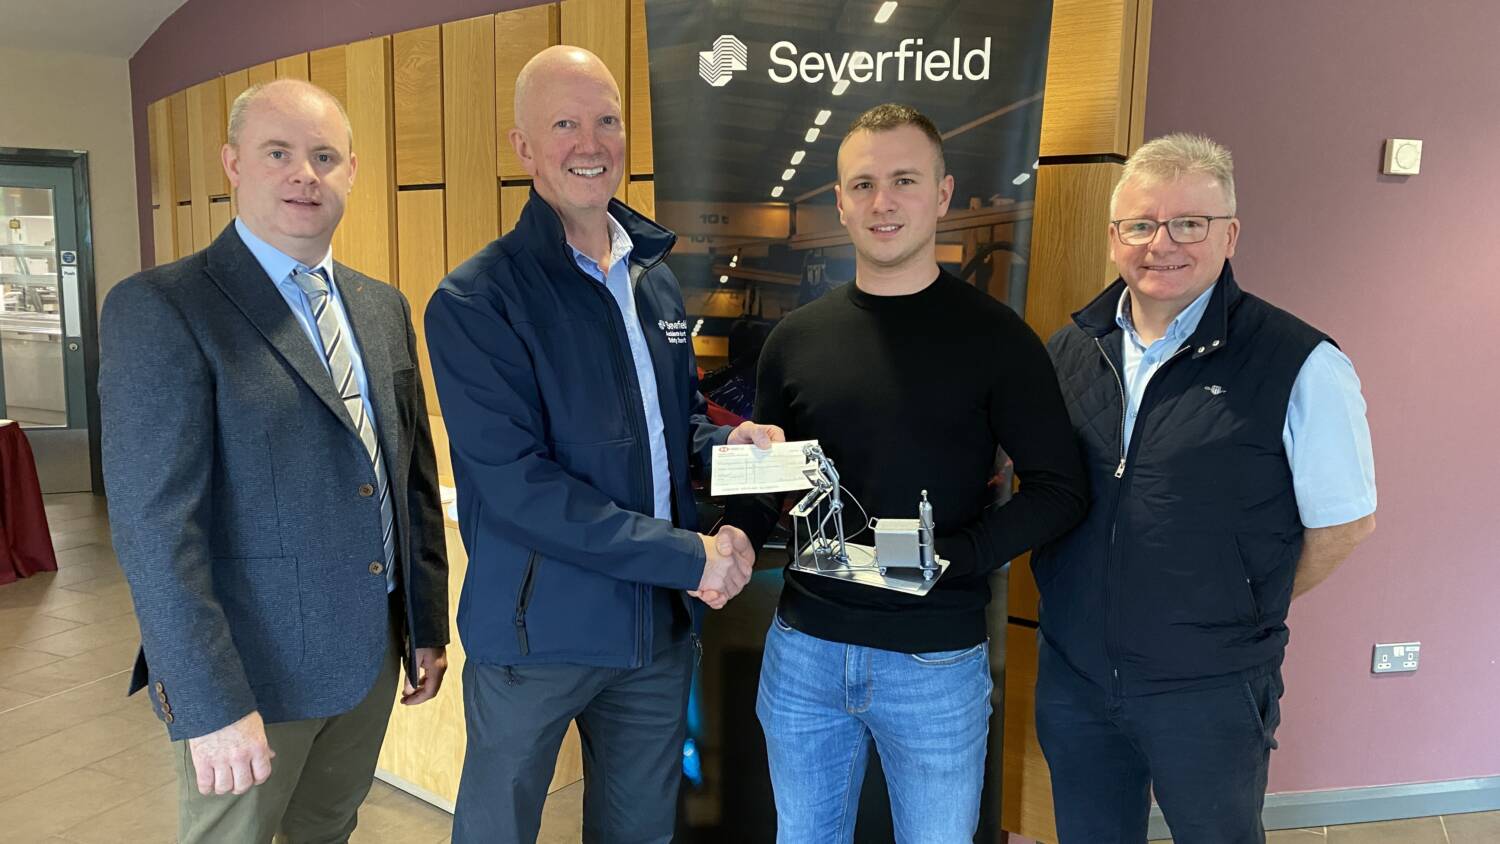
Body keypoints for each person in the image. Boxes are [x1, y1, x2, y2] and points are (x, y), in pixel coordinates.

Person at [424, 46, 779, 844]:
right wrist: (689, 557)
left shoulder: (654, 280)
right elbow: (520, 487)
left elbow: (670, 424)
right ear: (523, 147)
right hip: (536, 639)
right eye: (564, 124)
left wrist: (734, 445)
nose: (590, 143)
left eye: (607, 121)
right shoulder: (476, 301)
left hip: (652, 632)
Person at [723, 103, 1089, 843]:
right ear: (840, 203)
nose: (882, 202)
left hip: (935, 662)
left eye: (904, 180)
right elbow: (770, 479)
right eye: (863, 184)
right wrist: (734, 533)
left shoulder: (998, 341)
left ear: (943, 194)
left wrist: (955, 556)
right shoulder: (793, 341)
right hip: (805, 652)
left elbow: (1060, 489)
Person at [99, 79, 449, 842]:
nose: (305, 175)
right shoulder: (164, 307)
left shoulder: (382, 307)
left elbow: (408, 480)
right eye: (278, 153)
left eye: (324, 156)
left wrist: (426, 622)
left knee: (328, 830)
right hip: (250, 677)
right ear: (233, 163)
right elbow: (156, 530)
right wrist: (210, 704)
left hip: (369, 658)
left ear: (352, 170)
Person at [1033, 132, 1377, 844]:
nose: (1161, 243)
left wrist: (1242, 605)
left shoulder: (1300, 361)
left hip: (1210, 689)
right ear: (1113, 238)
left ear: (1230, 235)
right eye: (1141, 224)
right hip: (1075, 679)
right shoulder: (1067, 352)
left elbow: (1346, 523)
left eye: (1189, 223)